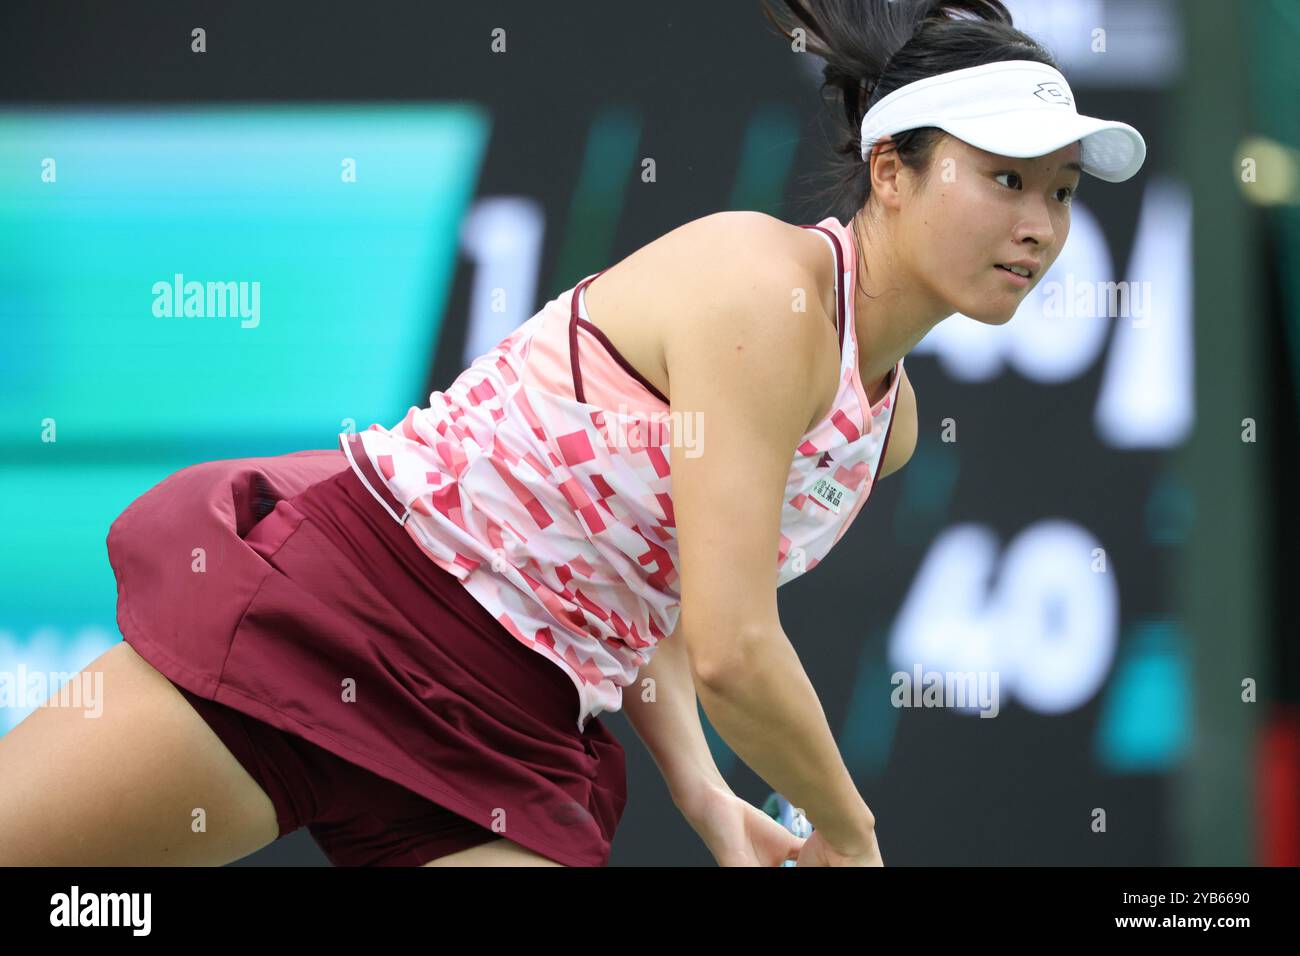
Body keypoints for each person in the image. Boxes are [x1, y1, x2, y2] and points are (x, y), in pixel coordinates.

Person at [0, 0, 1144, 867]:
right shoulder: (763, 286)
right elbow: (739, 649)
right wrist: (849, 832)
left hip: (513, 733)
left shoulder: (884, 431)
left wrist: (703, 794)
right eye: (1004, 180)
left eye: (1058, 194)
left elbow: (644, 587)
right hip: (355, 603)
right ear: (889, 170)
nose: (1038, 228)